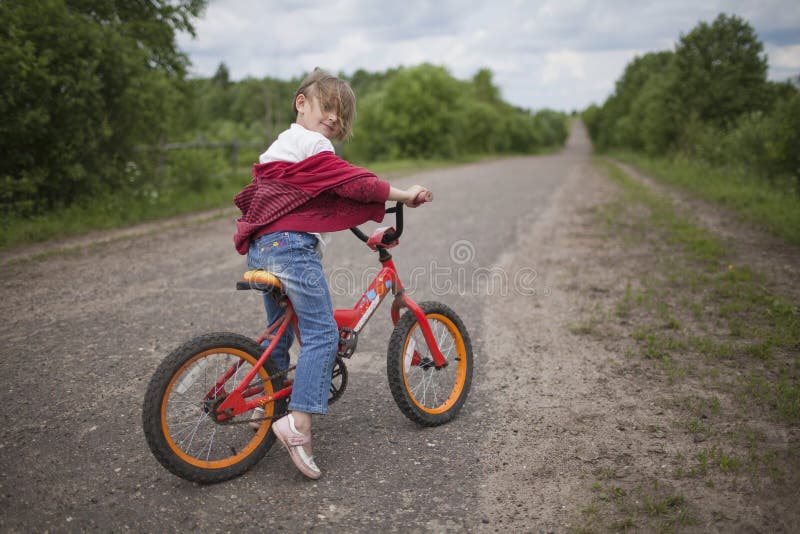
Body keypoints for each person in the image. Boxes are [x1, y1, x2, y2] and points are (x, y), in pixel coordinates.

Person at [233, 68, 430, 480]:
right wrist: (405, 195)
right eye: (329, 106)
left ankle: (262, 405)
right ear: (301, 103)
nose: (336, 118)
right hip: (291, 250)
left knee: (279, 335)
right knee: (322, 333)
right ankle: (298, 425)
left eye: (343, 115)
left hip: (262, 249)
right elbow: (352, 182)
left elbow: (303, 195)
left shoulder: (281, 147)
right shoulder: (314, 144)